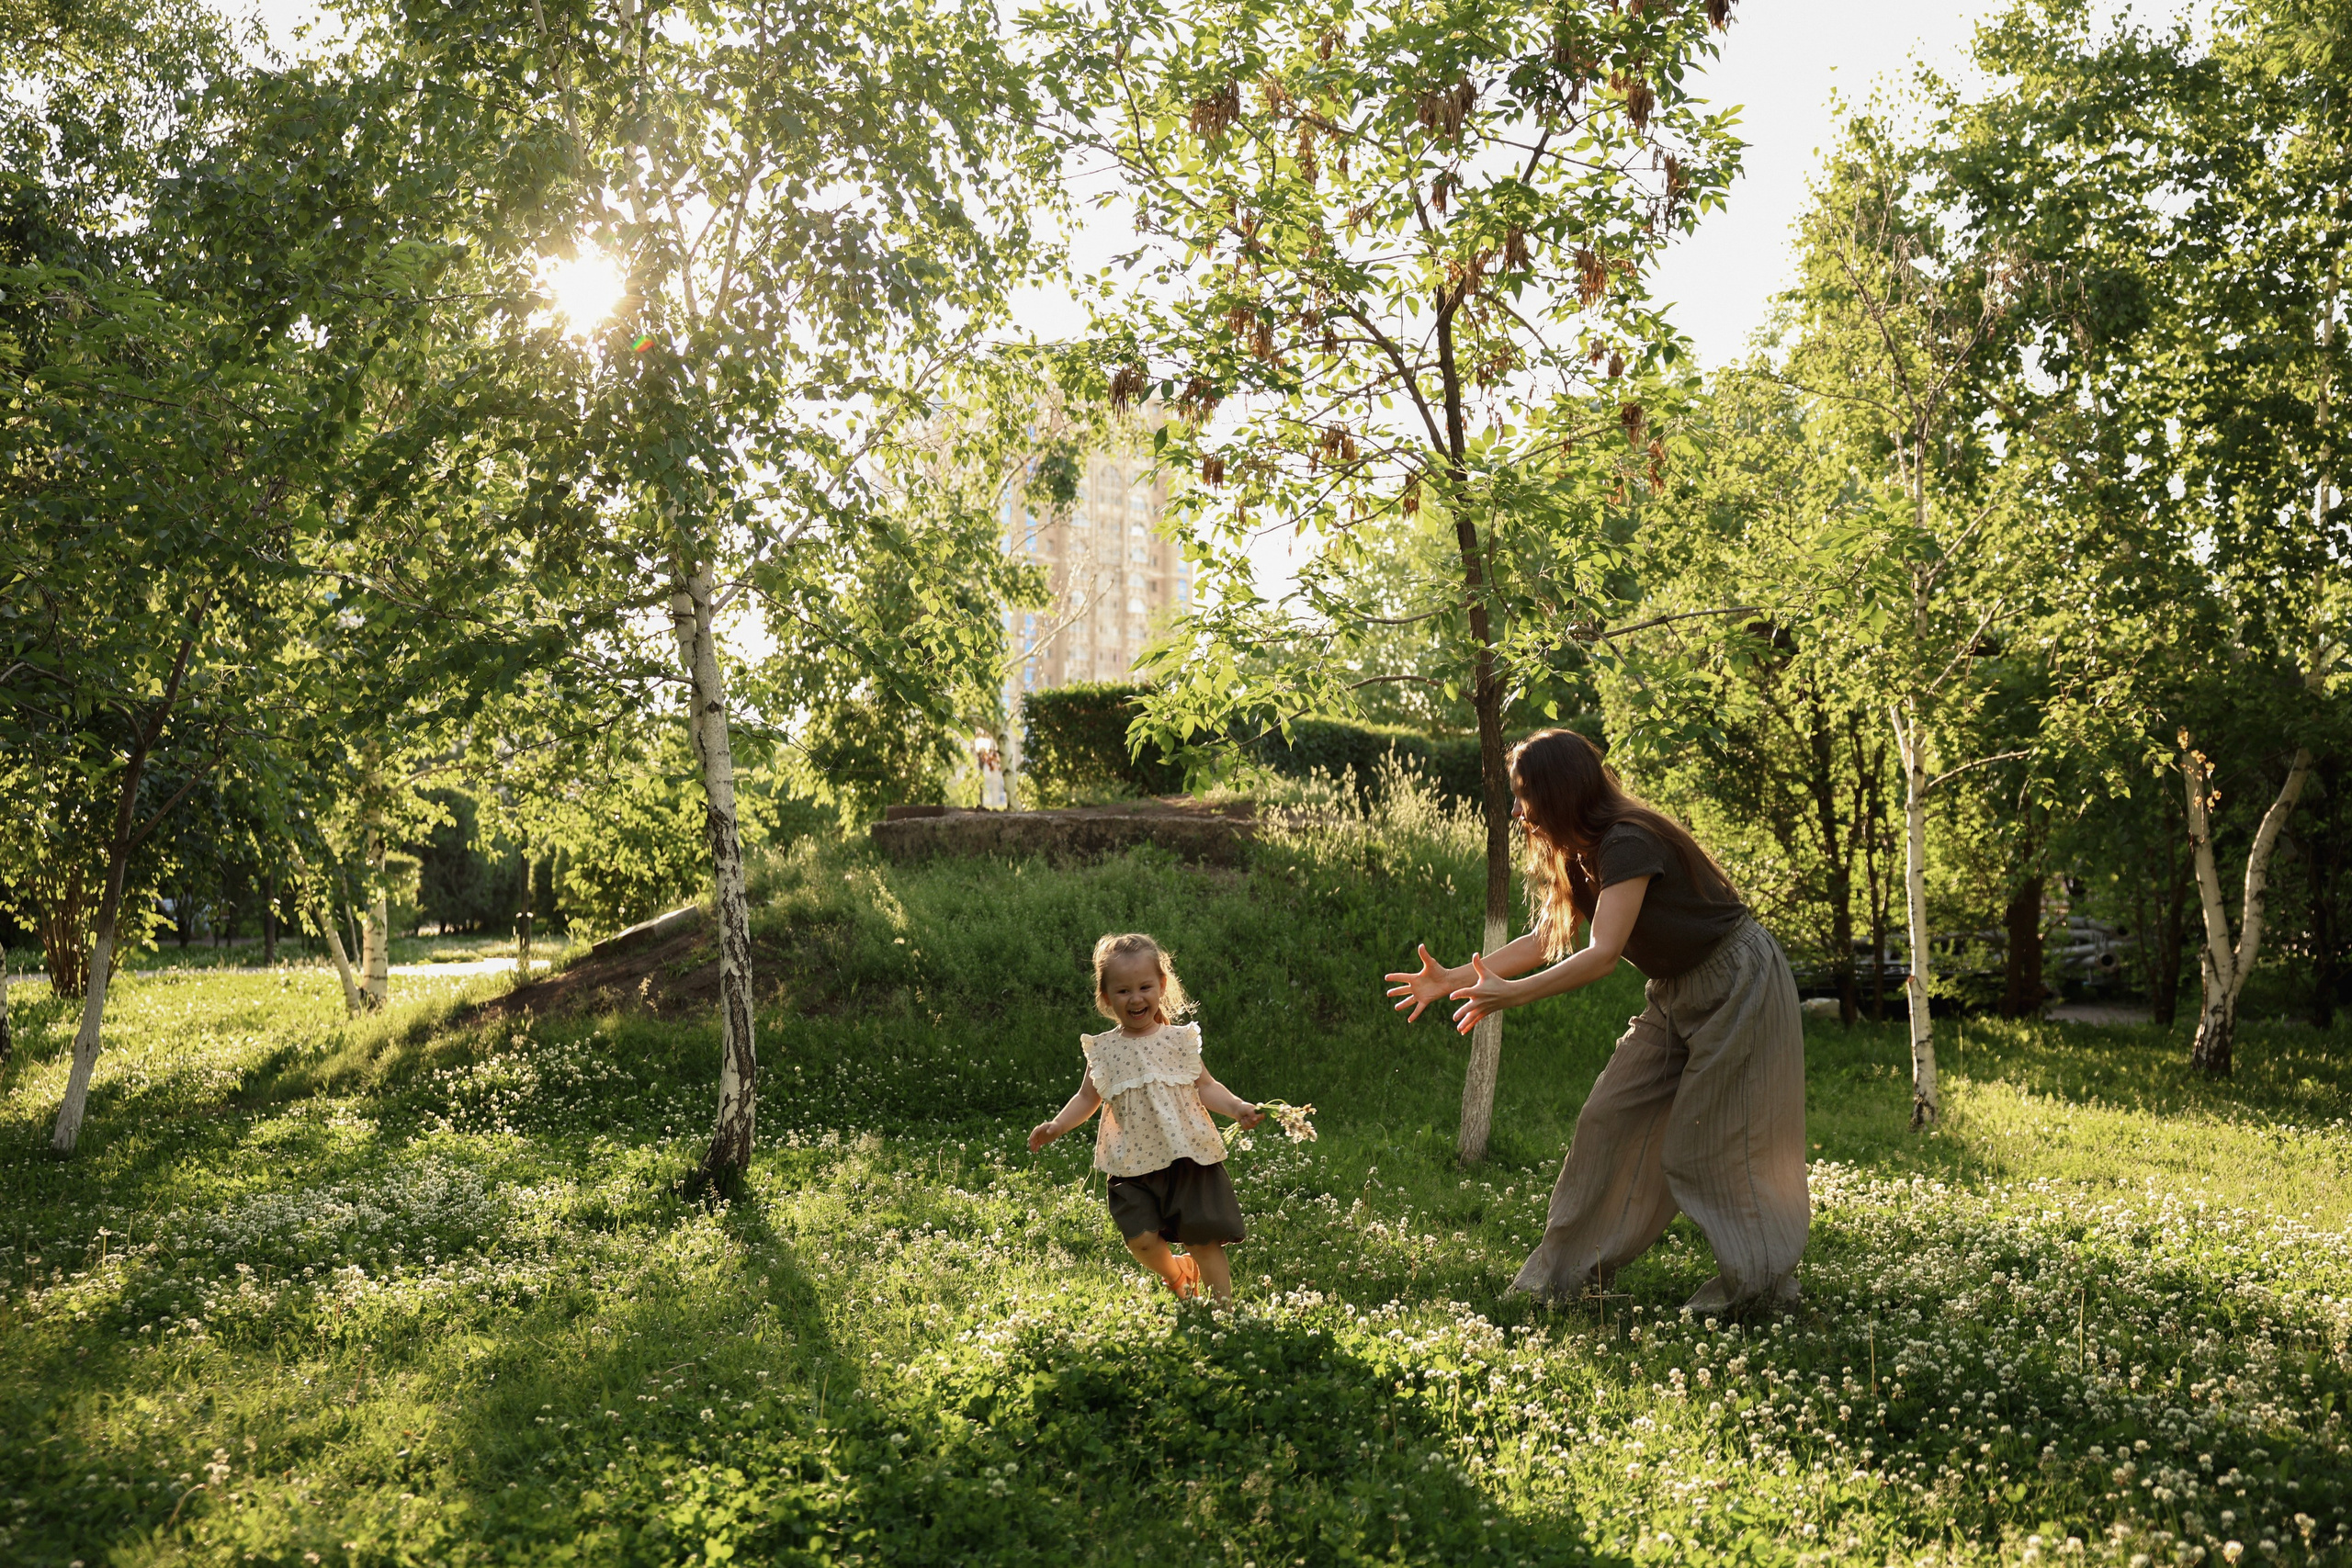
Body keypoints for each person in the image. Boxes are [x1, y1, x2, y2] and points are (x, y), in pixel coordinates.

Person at [1385, 728, 1808, 1314]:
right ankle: (1559, 1281)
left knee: (1715, 1142)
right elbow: (1544, 941)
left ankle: (1760, 1289)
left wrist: (1512, 997)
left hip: (1737, 981)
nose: (1517, 809)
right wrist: (1455, 977)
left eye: (1524, 794)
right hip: (1675, 992)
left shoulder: (1627, 841)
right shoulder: (1579, 855)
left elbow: (1603, 953)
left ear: (1559, 792)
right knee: (1608, 1118)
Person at [1030, 932, 1263, 1300]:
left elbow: (1205, 1085)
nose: (1136, 998)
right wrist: (1057, 1125)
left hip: (1187, 1155)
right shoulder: (1104, 1050)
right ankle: (1177, 1273)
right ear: (1106, 998)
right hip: (1132, 1163)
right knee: (1139, 1240)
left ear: (1161, 986)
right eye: (1123, 991)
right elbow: (1087, 1097)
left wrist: (1236, 1107)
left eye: (1144, 987)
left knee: (1203, 1239)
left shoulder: (1177, 1040)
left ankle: (1224, 1312)